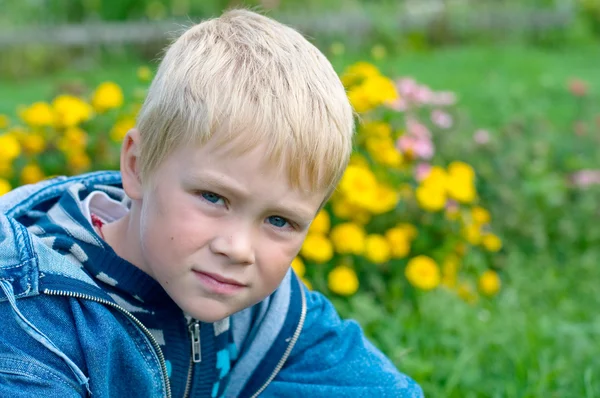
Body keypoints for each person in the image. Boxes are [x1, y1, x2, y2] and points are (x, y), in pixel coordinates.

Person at [0, 9, 423, 398]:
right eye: (213, 197)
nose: (238, 249)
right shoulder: (35, 319)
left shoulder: (266, 312)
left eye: (278, 220)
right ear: (137, 166)